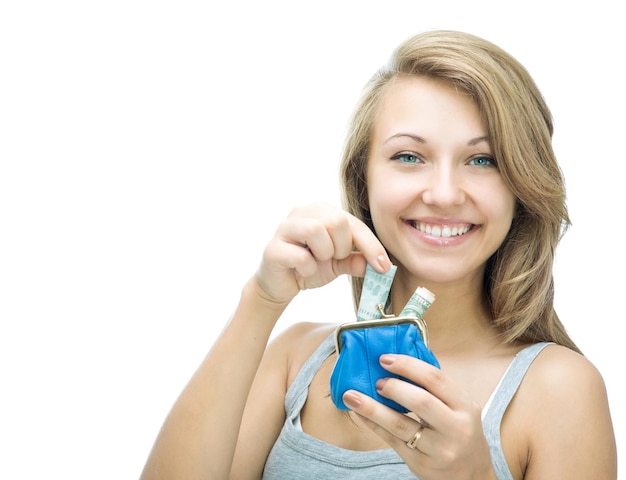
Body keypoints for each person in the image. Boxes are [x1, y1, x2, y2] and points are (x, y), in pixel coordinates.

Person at [140, 30, 617, 479]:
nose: (445, 194)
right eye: (409, 156)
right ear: (363, 181)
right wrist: (261, 301)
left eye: (482, 160)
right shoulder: (294, 358)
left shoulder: (560, 389)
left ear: (521, 190)